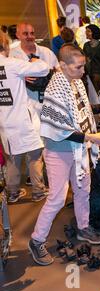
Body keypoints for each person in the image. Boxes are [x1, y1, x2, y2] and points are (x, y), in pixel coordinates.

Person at [29, 44, 100, 266]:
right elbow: (58, 128)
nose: (83, 71)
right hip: (59, 151)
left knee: (83, 189)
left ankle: (83, 227)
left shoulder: (75, 82)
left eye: (83, 66)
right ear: (62, 66)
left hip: (78, 150)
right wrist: (91, 138)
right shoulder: (54, 88)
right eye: (78, 67)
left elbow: (81, 109)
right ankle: (36, 240)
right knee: (57, 198)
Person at [9, 22, 59, 202]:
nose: (29, 36)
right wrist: (23, 78)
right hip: (21, 108)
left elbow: (58, 72)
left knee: (43, 144)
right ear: (18, 35)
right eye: (25, 33)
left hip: (45, 104)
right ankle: (34, 188)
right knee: (28, 149)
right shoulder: (12, 56)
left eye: (32, 33)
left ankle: (36, 180)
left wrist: (47, 74)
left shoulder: (46, 52)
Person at [0, 31, 49, 204]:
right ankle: (38, 191)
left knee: (12, 157)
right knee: (35, 155)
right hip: (23, 119)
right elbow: (43, 68)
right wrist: (35, 60)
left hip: (4, 122)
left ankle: (12, 192)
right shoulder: (13, 64)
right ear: (5, 45)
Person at [83, 24, 100, 93]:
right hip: (88, 74)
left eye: (88, 31)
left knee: (97, 94)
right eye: (86, 31)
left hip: (99, 75)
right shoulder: (86, 45)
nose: (86, 33)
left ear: (94, 32)